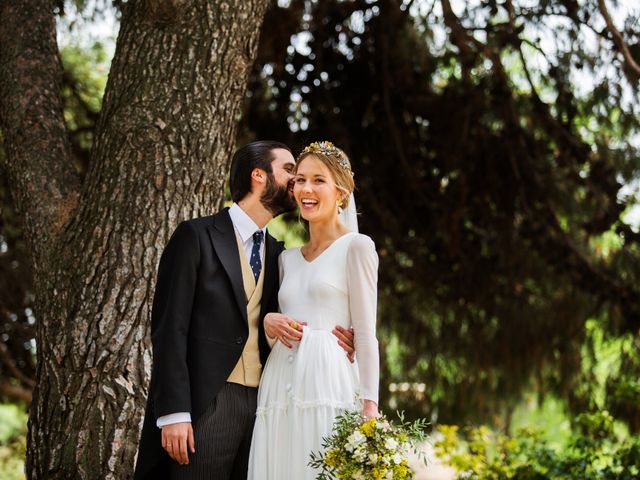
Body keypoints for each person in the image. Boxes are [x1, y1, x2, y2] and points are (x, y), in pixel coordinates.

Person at [134, 140, 355, 480]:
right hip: (205, 403)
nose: (297, 182)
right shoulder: (196, 236)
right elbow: (169, 329)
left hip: (265, 408)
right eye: (289, 171)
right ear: (258, 176)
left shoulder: (280, 255)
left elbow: (298, 313)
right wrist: (175, 412)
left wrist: (345, 339)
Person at [247, 141, 380, 480]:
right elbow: (269, 319)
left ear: (341, 192)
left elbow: (365, 333)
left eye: (318, 180)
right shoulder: (286, 258)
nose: (306, 188)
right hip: (280, 383)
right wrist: (268, 321)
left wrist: (370, 406)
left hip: (329, 383)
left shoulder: (357, 247)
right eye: (300, 180)